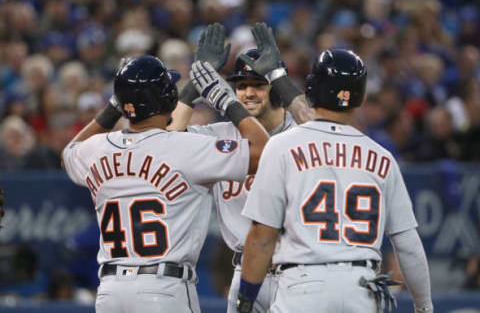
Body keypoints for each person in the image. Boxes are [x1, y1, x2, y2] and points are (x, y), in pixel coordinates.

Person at [61, 54, 269, 313]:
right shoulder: (186, 147)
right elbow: (264, 151)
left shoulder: (97, 149)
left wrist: (117, 103)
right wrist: (227, 101)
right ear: (167, 99)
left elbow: (69, 151)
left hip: (110, 292)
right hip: (163, 289)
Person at [237, 49, 434, 313]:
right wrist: (424, 307)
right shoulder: (382, 156)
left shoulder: (281, 146)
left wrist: (246, 299)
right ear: (360, 96)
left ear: (311, 89)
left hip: (302, 286)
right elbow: (408, 245)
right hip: (361, 288)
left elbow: (262, 236)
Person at [169, 22, 313, 312]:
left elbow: (329, 137)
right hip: (243, 272)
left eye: (258, 85)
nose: (247, 93)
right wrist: (194, 86)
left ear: (275, 90)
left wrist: (281, 79)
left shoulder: (301, 132)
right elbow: (168, 140)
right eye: (241, 86)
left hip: (298, 271)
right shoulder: (220, 134)